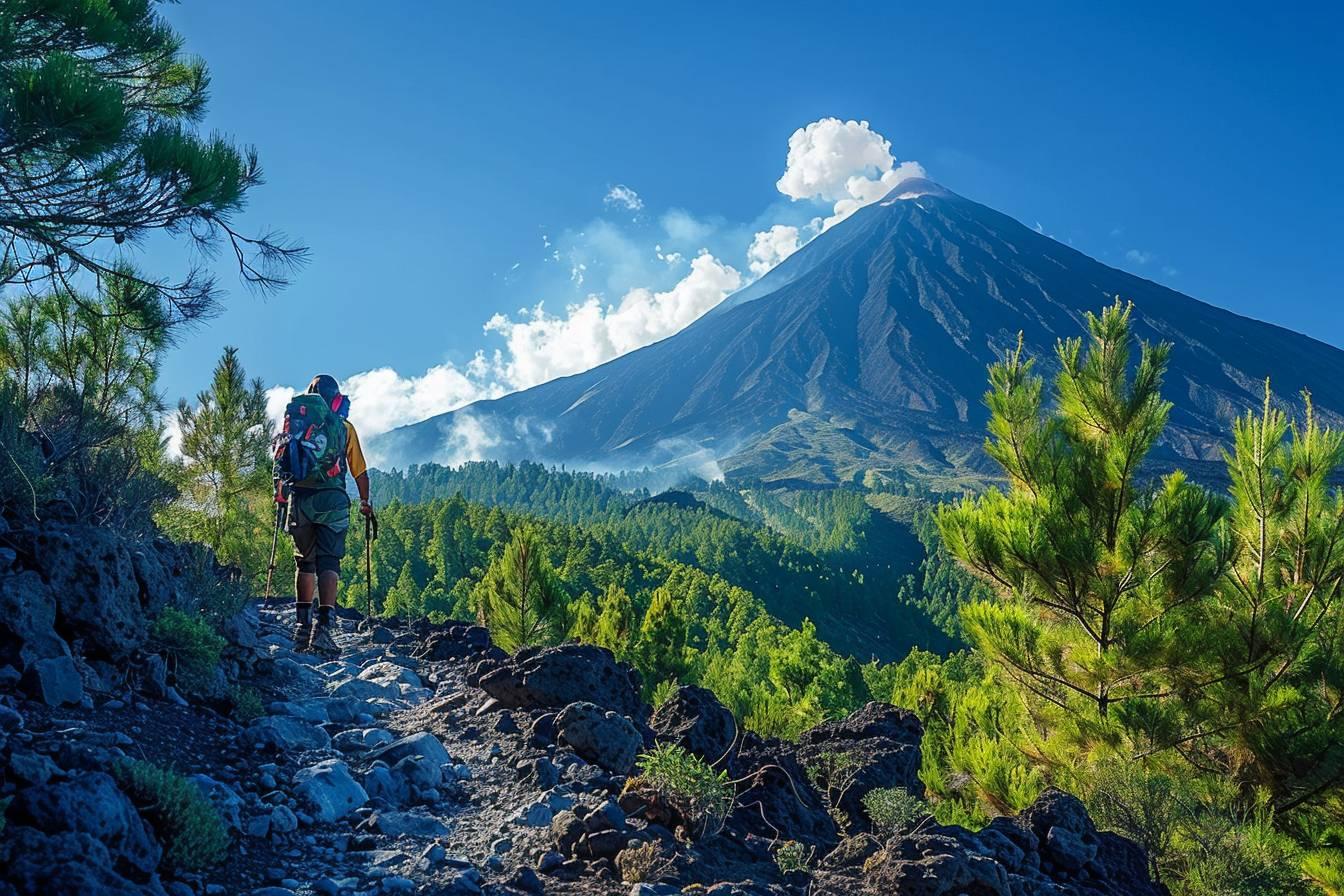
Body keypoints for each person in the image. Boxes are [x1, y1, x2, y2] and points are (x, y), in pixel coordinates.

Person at [281, 374, 372, 656]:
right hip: (332, 500)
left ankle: (301, 628)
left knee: (304, 563)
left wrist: (280, 494)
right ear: (336, 399)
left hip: (300, 499)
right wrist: (365, 501)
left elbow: (281, 459)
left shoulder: (297, 422)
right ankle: (324, 629)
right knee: (329, 562)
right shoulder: (344, 428)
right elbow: (359, 470)